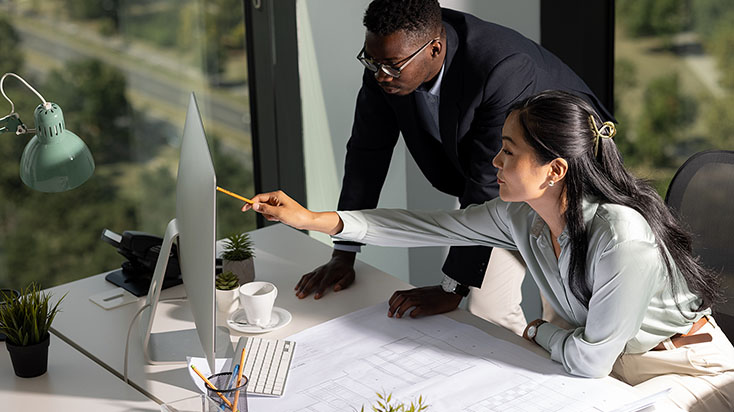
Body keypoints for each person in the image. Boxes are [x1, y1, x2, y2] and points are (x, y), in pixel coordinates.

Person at [245, 91, 734, 411]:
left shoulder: (620, 237)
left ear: (555, 170)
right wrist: (313, 220)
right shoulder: (520, 216)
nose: (494, 161)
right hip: (602, 360)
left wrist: (538, 330)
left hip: (682, 370)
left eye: (509, 150)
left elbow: (590, 362)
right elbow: (427, 225)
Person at [298, 0, 614, 334]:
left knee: (562, 317)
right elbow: (367, 151)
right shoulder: (390, 57)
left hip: (565, 178)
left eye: (390, 66)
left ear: (434, 49)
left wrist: (452, 287)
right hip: (507, 180)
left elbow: (485, 181)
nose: (380, 75)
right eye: (371, 61)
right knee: (486, 309)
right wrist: (344, 252)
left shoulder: (500, 68)